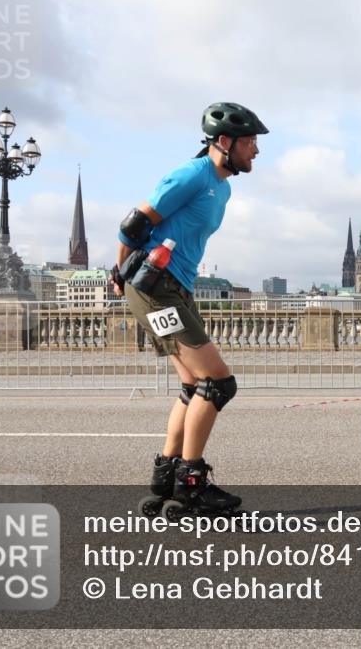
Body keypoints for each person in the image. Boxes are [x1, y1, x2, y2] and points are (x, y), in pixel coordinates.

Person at [112, 102, 267, 516]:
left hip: (175, 289)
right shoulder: (192, 174)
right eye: (250, 142)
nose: (256, 150)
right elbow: (133, 224)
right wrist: (121, 269)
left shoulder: (223, 186)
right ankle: (192, 481)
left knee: (193, 387)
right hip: (154, 288)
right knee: (218, 383)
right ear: (224, 142)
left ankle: (165, 478)